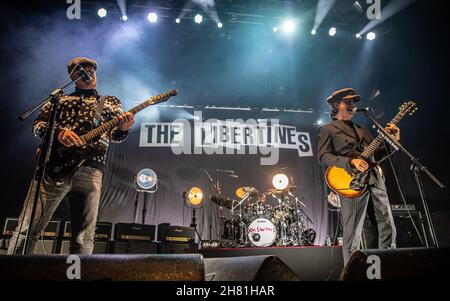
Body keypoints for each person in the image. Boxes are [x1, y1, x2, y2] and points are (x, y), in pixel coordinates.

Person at [8, 57, 135, 254]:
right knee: (26, 230)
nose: (87, 72)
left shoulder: (110, 102)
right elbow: (38, 126)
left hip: (91, 169)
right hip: (53, 169)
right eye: (80, 69)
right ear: (72, 76)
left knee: (83, 238)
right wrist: (59, 133)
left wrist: (124, 128)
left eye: (91, 69)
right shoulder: (60, 100)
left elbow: (116, 136)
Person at [317, 88, 399, 264]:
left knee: (387, 224)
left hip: (374, 178)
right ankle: (351, 272)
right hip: (350, 181)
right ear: (337, 105)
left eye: (354, 102)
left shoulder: (363, 129)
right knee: (353, 232)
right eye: (349, 102)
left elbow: (376, 155)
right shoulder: (328, 129)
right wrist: (349, 162)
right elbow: (323, 156)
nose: (353, 105)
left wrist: (393, 142)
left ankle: (387, 266)